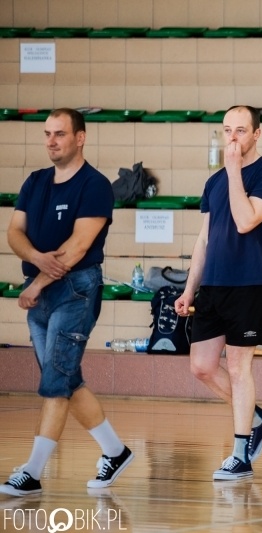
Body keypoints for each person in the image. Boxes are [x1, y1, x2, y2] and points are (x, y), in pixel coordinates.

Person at [1, 108, 133, 496]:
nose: (51, 141)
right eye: (47, 134)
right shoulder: (36, 181)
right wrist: (37, 259)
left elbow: (76, 249)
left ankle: (33, 472)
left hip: (75, 290)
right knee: (64, 376)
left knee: (55, 381)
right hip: (40, 289)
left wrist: (37, 281)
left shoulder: (94, 186)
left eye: (59, 134)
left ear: (80, 138)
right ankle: (115, 450)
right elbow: (14, 231)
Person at [175, 105, 262, 481]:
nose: (233, 138)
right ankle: (257, 417)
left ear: (257, 134)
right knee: (202, 366)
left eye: (241, 131)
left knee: (240, 368)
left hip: (250, 285)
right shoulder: (213, 183)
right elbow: (204, 239)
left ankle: (241, 453)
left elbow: (244, 221)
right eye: (227, 131)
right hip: (214, 286)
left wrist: (235, 172)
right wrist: (190, 289)